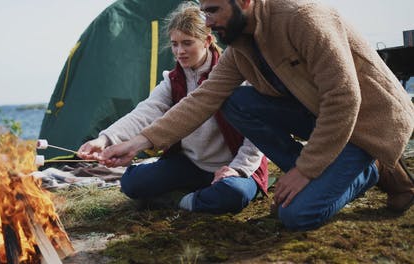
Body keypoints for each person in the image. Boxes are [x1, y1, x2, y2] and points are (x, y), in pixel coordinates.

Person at [99, 0, 414, 231]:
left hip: (369, 121)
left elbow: (345, 98)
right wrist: (138, 141)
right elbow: (203, 99)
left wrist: (306, 169)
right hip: (323, 117)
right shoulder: (241, 47)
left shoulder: (303, 18)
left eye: (212, 10)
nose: (206, 22)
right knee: (235, 101)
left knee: (296, 216)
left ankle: (371, 167)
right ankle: (321, 175)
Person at [78, 2, 269, 214]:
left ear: (207, 40)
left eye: (187, 43)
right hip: (191, 165)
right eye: (175, 44)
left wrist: (238, 168)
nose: (180, 51)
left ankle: (184, 201)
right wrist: (104, 139)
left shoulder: (233, 74)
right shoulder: (173, 81)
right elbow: (145, 112)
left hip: (234, 165)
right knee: (132, 183)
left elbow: (259, 135)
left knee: (234, 194)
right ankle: (196, 196)